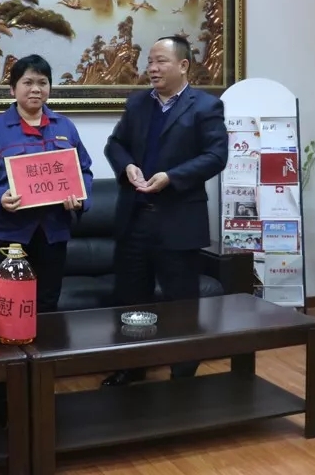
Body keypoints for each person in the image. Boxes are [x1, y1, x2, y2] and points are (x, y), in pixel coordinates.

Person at [101, 35, 229, 387]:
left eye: (161, 61)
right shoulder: (138, 104)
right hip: (134, 218)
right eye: (150, 62)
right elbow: (115, 144)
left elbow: (216, 156)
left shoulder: (205, 106)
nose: (152, 68)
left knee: (181, 303)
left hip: (178, 220)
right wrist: (127, 166)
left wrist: (171, 177)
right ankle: (132, 366)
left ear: (183, 65)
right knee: (131, 300)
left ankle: (182, 374)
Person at [0, 54, 94, 313]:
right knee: (4, 307)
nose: (36, 89)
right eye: (28, 82)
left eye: (42, 83)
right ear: (13, 89)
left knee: (46, 307)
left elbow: (84, 171)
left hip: (52, 233)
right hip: (6, 234)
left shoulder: (65, 127)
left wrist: (80, 199)